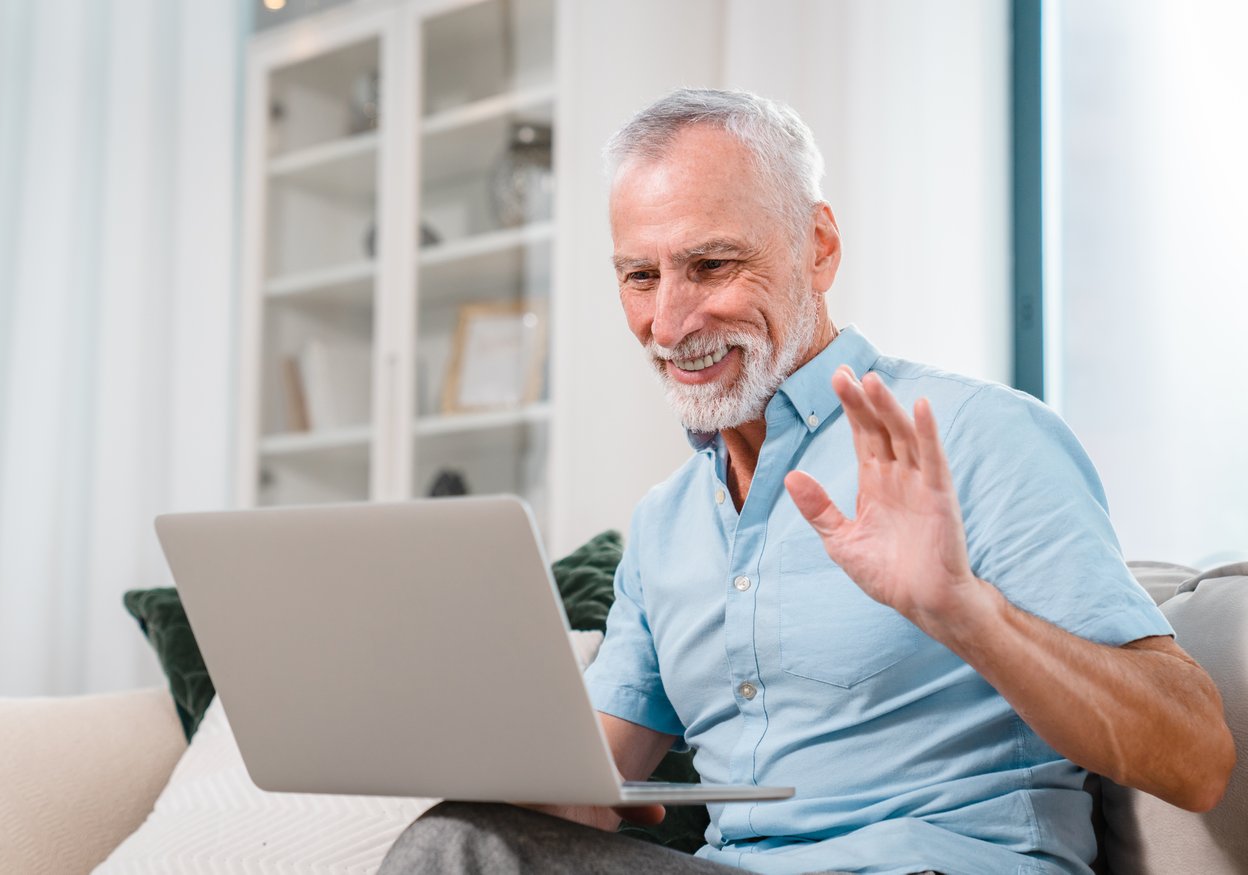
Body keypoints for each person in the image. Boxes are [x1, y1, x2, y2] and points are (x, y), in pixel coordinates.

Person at [381, 89, 1235, 874]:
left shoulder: (978, 437)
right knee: (459, 840)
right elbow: (591, 790)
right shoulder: (665, 526)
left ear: (818, 247)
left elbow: (1197, 759)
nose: (670, 323)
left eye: (711, 265)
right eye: (641, 276)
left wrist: (962, 608)